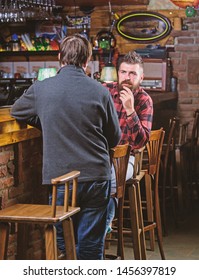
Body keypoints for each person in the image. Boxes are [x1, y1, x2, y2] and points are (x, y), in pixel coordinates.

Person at [11, 34, 121, 260]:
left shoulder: (42, 89)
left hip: (62, 179)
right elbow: (115, 137)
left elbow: (17, 110)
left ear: (59, 57)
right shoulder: (101, 91)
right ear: (87, 60)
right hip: (96, 175)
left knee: (66, 246)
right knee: (90, 249)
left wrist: (46, 122)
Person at [104, 51, 153, 233]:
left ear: (141, 77)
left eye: (133, 74)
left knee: (111, 180)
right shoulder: (105, 91)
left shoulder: (144, 100)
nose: (127, 77)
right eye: (123, 72)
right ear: (118, 74)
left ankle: (103, 224)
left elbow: (140, 143)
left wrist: (130, 110)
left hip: (128, 158)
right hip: (102, 155)